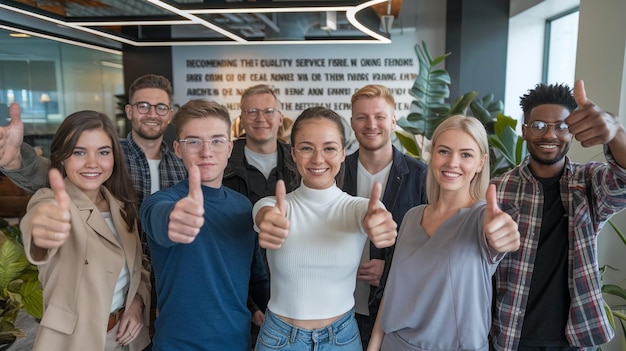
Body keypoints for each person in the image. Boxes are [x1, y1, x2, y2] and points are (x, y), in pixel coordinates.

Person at [0, 74, 187, 336]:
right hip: (92, 317)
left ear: (170, 114)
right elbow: (56, 181)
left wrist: (137, 298)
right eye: (143, 106)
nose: (152, 113)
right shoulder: (108, 154)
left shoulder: (180, 165)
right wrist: (16, 161)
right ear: (130, 111)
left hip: (159, 285)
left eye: (160, 107)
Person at [490, 80, 626, 351]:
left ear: (572, 131)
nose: (550, 135)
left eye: (562, 126)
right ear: (524, 131)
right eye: (539, 125)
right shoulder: (499, 189)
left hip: (571, 340)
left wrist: (615, 130)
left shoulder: (588, 182)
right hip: (509, 336)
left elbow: (623, 178)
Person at [367, 115, 520, 351]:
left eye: (466, 155)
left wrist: (504, 234)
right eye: (444, 151)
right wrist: (373, 347)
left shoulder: (482, 220)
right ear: (432, 154)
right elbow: (392, 293)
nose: (452, 163)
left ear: (481, 162)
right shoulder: (412, 217)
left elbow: (498, 238)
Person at [253, 106, 398, 350]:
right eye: (307, 148)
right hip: (280, 338)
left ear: (343, 153)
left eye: (329, 148)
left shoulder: (358, 208)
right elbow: (264, 215)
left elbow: (372, 215)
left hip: (341, 338)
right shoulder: (272, 205)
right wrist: (268, 221)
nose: (318, 159)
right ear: (294, 153)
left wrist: (380, 222)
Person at [139, 99, 268, 350]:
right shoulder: (162, 202)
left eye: (217, 141)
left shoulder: (244, 207)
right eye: (194, 141)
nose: (206, 152)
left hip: (237, 343)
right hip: (177, 345)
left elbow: (256, 278)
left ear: (230, 148)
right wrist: (174, 219)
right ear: (178, 149)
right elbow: (158, 219)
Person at [19, 111, 151, 351]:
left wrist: (137, 303)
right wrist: (43, 232)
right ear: (61, 158)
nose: (93, 163)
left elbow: (139, 266)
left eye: (103, 152)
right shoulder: (51, 201)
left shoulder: (120, 204)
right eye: (79, 152)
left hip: (126, 339)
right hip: (75, 343)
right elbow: (40, 224)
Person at [343, 84, 428, 348]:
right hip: (341, 308)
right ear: (352, 123)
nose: (371, 124)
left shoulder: (421, 176)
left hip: (396, 307)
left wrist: (391, 269)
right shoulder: (336, 171)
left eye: (379, 116)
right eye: (362, 117)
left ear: (392, 121)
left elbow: (433, 243)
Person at [223, 84, 298, 342]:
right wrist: (250, 303)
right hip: (237, 295)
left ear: (280, 115)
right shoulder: (221, 164)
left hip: (294, 295)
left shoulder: (301, 162)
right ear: (241, 118)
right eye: (252, 111)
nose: (260, 118)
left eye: (268, 111)